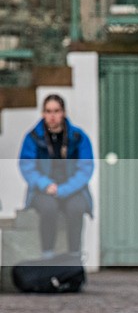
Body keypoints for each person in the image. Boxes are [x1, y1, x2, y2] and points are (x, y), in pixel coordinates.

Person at [19, 94, 94, 258]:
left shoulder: (78, 137)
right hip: (43, 189)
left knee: (77, 209)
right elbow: (27, 166)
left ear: (64, 113)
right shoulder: (32, 137)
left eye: (56, 111)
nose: (52, 116)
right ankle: (48, 256)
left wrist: (64, 189)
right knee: (48, 208)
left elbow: (86, 168)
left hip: (73, 189)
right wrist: (45, 184)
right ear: (43, 113)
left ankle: (75, 256)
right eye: (48, 111)